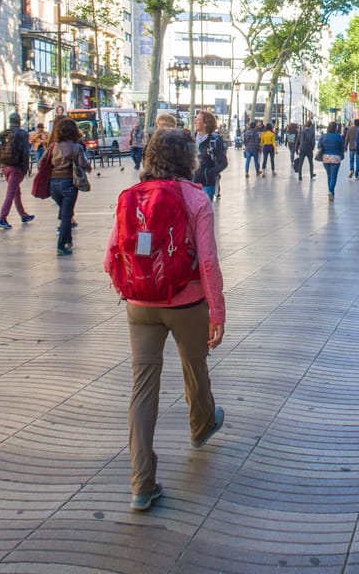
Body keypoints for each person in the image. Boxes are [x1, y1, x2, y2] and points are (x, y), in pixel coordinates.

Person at [103, 127, 226, 512]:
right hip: (186, 303)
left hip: (139, 304)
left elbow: (111, 256)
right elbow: (206, 259)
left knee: (142, 386)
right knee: (194, 366)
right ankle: (201, 425)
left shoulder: (130, 196)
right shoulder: (195, 197)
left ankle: (142, 483)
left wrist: (132, 288)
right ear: (190, 158)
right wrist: (217, 311)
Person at [49, 117, 90, 254]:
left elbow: (42, 161)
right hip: (68, 183)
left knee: (65, 211)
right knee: (67, 215)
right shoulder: (76, 146)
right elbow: (83, 164)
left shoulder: (54, 146)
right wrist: (87, 167)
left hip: (53, 184)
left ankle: (68, 241)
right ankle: (61, 246)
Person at [0, 112, 35, 230]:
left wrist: (1, 164)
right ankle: (2, 218)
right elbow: (25, 152)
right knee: (11, 192)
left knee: (16, 191)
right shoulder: (22, 134)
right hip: (16, 167)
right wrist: (24, 169)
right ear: (19, 121)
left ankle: (23, 215)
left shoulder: (3, 134)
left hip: (5, 166)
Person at [193, 111, 228, 200]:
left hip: (207, 184)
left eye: (198, 119)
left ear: (205, 123)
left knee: (203, 212)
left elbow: (223, 163)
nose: (195, 121)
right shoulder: (189, 140)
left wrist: (208, 173)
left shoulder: (215, 141)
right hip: (190, 183)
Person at [318, 121, 345, 201]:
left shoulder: (324, 136)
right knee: (334, 176)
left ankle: (331, 192)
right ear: (335, 128)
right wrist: (341, 156)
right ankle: (331, 191)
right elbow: (342, 148)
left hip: (326, 158)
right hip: (336, 158)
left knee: (329, 176)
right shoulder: (338, 137)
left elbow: (319, 146)